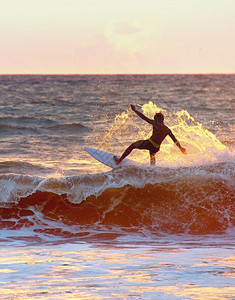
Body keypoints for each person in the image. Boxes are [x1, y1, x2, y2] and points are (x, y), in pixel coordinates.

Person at [114, 104, 187, 166]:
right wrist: (181, 148)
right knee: (152, 155)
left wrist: (135, 110)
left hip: (150, 143)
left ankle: (119, 160)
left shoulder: (155, 123)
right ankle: (153, 170)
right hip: (156, 147)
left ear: (157, 119)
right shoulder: (167, 130)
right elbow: (175, 140)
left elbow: (144, 117)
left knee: (133, 145)